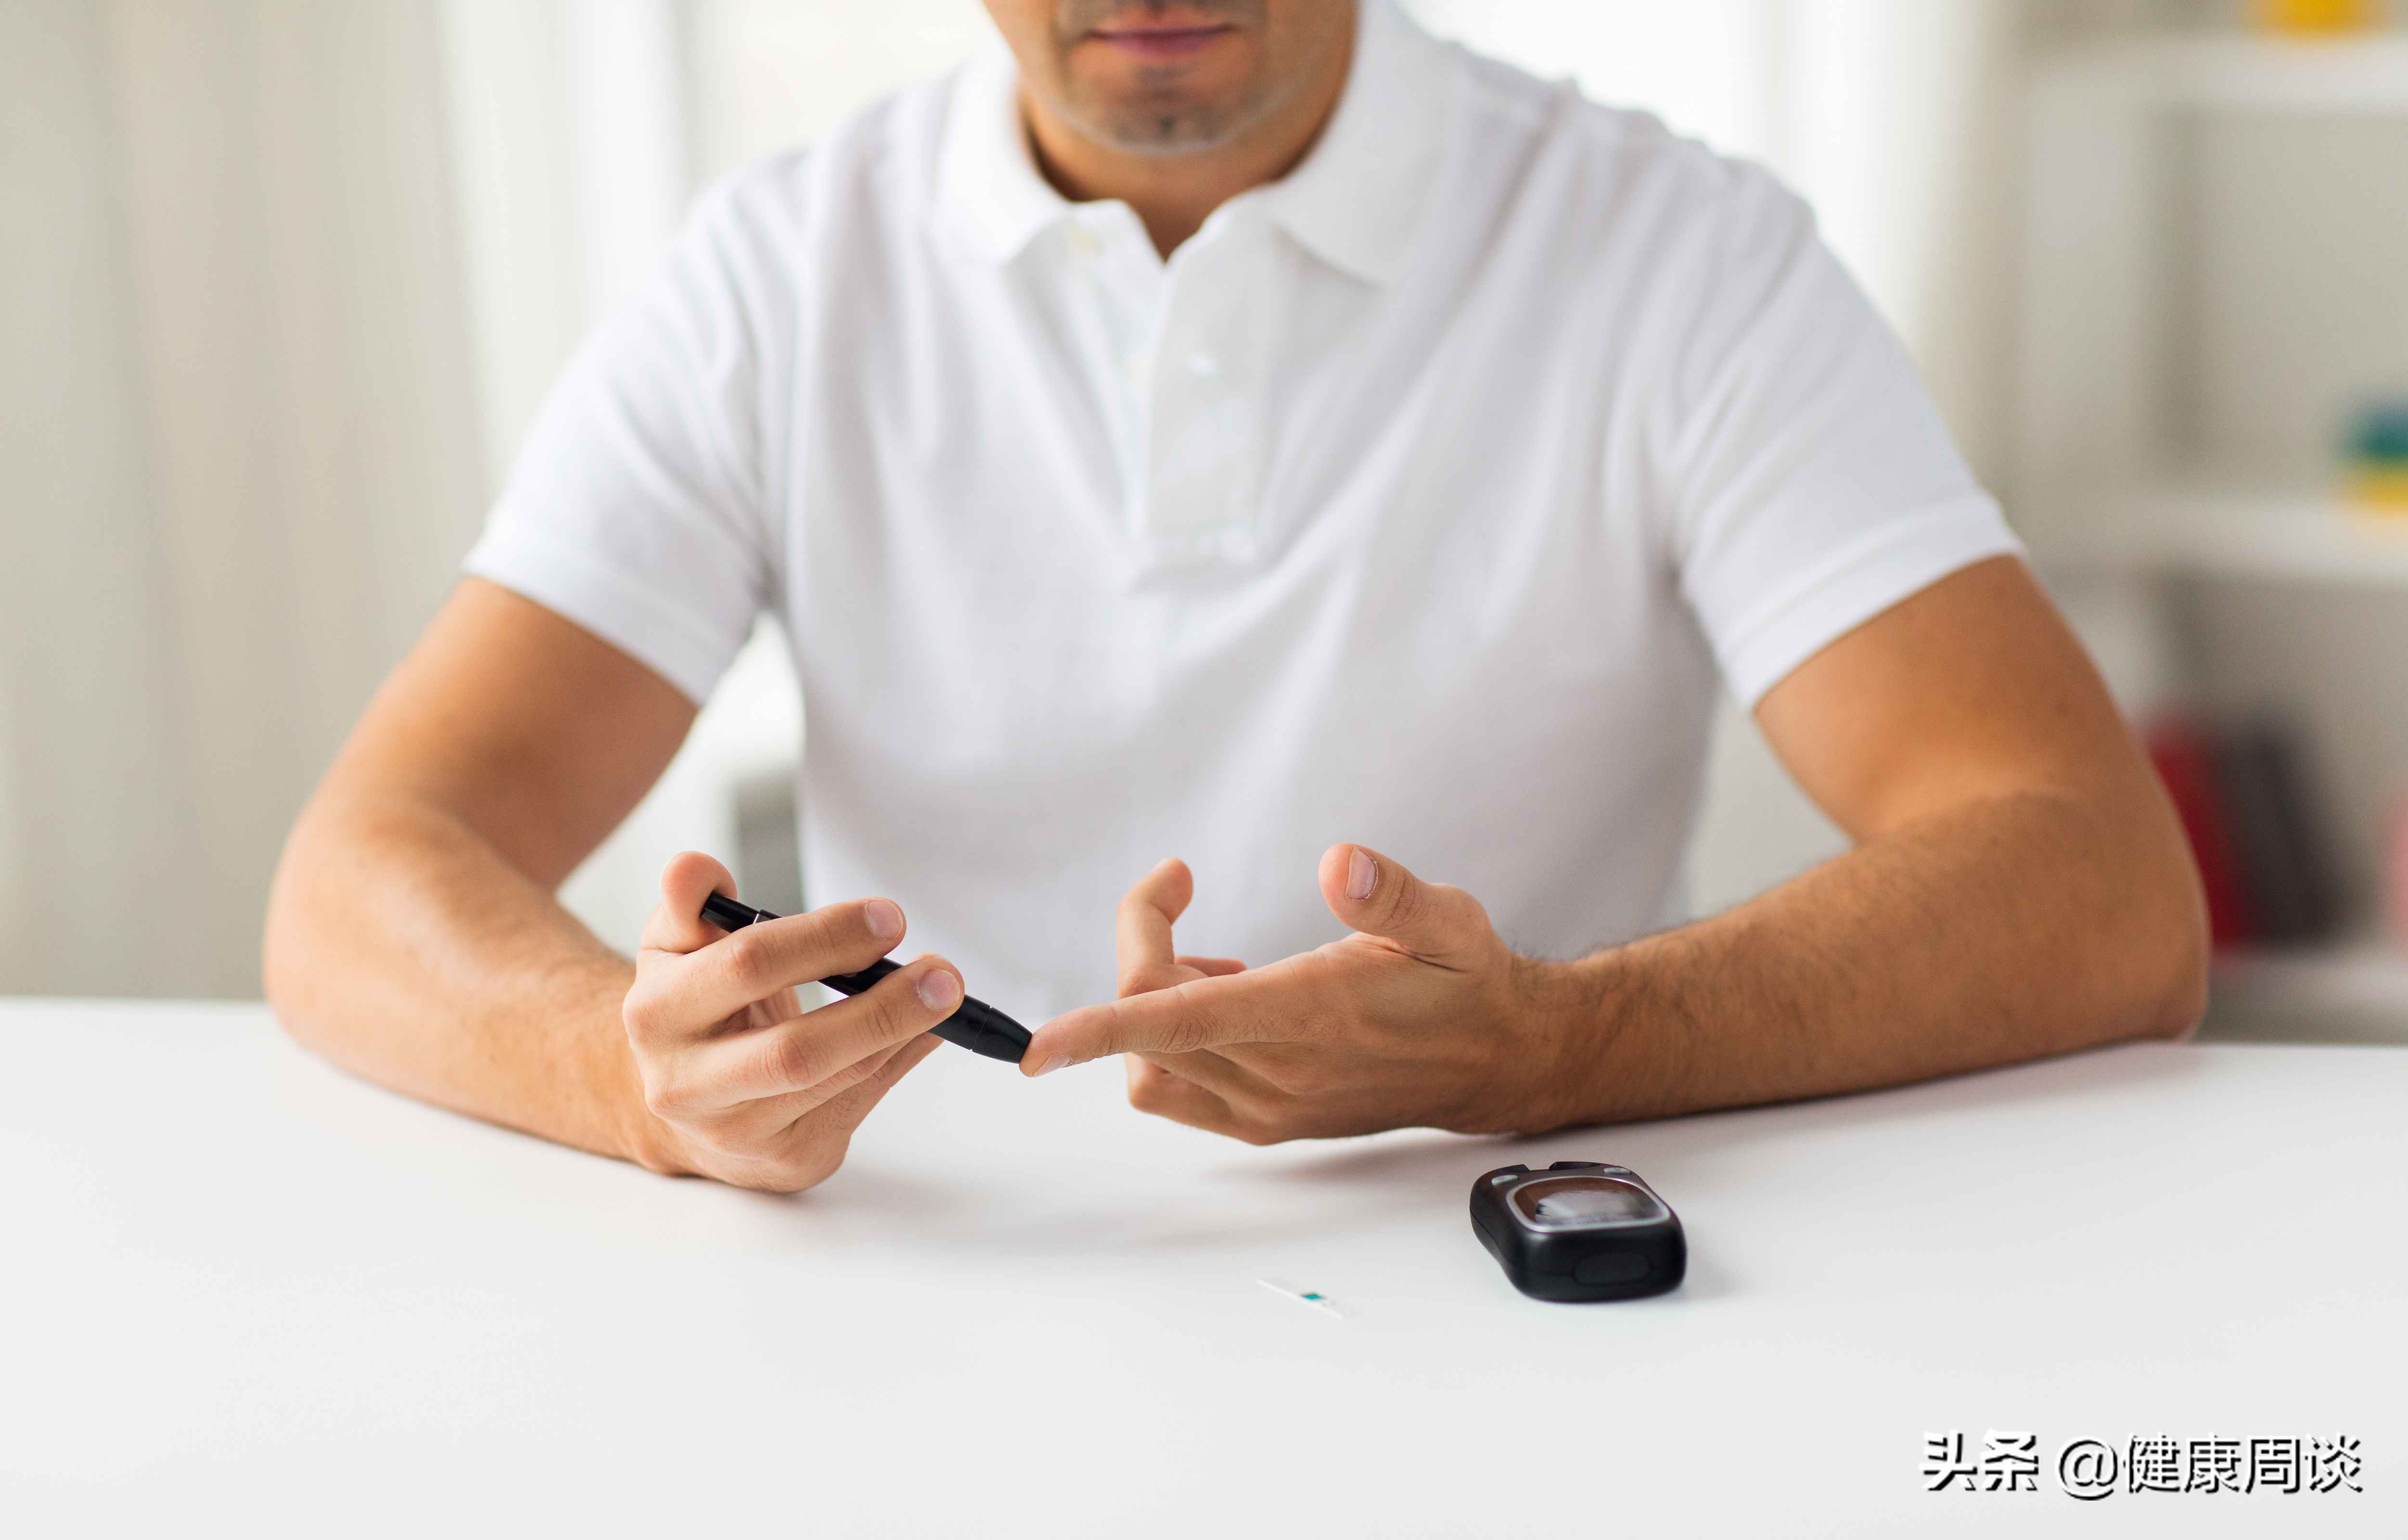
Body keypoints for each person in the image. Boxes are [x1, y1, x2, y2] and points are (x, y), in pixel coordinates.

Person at [264, 0, 2206, 1192]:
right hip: (928, 1282)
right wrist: (632, 1078)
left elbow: (2100, 889)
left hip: (1503, 1263)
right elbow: (360, 875)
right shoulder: (775, 276)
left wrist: (1557, 1040)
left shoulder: (1681, 256)